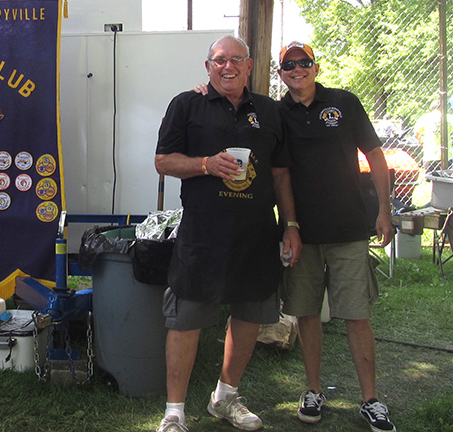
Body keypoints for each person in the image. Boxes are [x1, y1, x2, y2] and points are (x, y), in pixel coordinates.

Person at [154, 35, 302, 432]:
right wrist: (205, 164)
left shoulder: (269, 112)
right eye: (219, 60)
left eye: (236, 59)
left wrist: (290, 225)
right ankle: (175, 411)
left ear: (250, 66)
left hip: (256, 234)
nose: (228, 67)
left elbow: (280, 173)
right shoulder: (187, 104)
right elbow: (163, 161)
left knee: (250, 312)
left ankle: (225, 396)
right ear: (208, 67)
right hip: (202, 233)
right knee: (185, 318)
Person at [276, 41, 396, 432]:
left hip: (348, 229)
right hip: (302, 234)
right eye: (289, 65)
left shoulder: (344, 101)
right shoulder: (277, 113)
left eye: (304, 63)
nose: (298, 69)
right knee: (307, 313)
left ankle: (370, 399)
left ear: (315, 66)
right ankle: (313, 390)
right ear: (281, 73)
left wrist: (384, 210)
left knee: (356, 315)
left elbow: (375, 155)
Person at [414, 99, 453, 173]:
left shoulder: (425, 118)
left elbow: (417, 134)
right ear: (442, 107)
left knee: (431, 178)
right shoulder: (449, 118)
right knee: (446, 178)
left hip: (430, 153)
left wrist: (422, 142)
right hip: (446, 154)